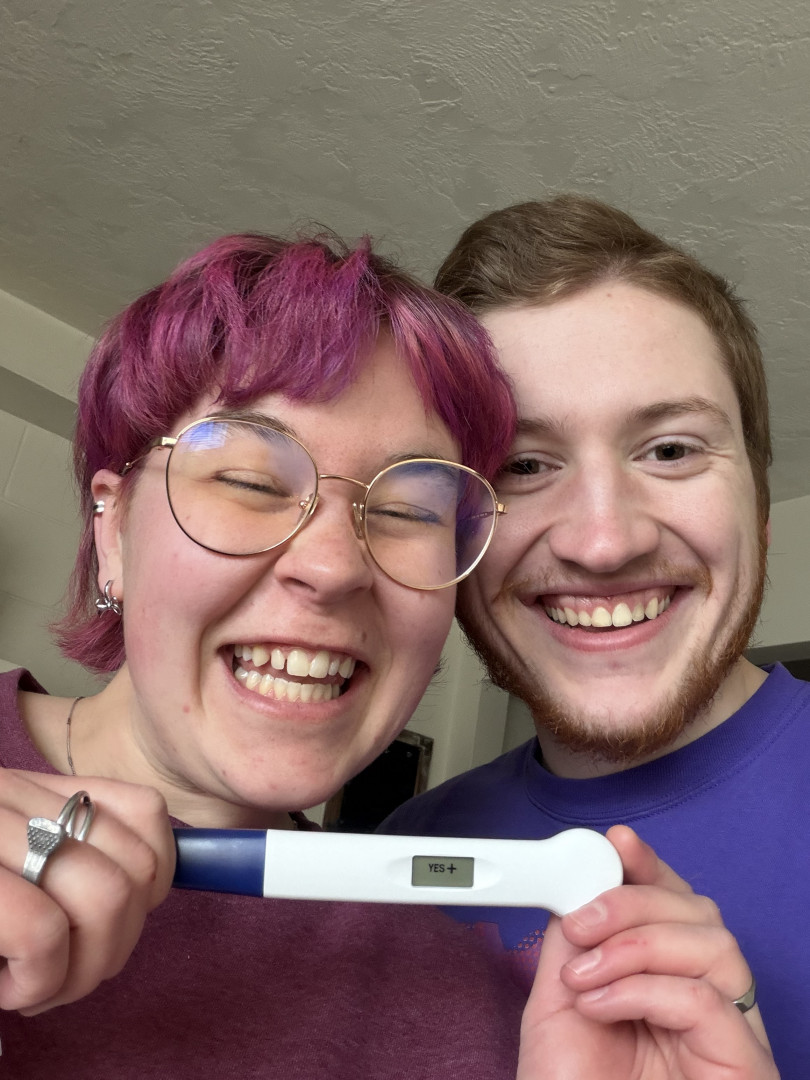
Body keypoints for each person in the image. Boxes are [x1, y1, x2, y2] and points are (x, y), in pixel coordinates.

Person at [0, 227, 777, 1080]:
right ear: (112, 530)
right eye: (251, 482)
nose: (336, 566)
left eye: (410, 509)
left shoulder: (473, 992)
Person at [380, 193, 805, 1076]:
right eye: (522, 466)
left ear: (760, 509)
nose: (604, 542)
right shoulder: (394, 862)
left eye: (671, 449)